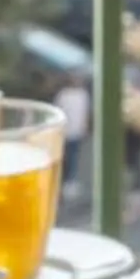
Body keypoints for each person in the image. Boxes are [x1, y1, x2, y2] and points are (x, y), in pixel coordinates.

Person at [57, 70, 90, 203]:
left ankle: (70, 183)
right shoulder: (66, 95)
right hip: (68, 131)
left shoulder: (80, 94)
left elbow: (86, 112)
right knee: (69, 157)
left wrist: (85, 126)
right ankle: (67, 183)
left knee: (72, 157)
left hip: (74, 131)